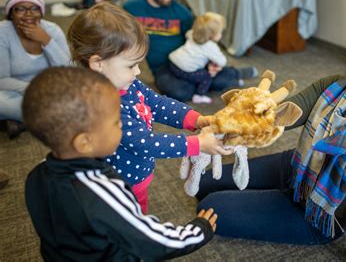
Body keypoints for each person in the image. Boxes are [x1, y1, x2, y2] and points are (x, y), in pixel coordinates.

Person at [195, 16, 346, 261]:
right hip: (296, 167)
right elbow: (283, 115)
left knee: (210, 207)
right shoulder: (337, 86)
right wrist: (229, 122)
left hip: (316, 213)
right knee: (203, 182)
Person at [23, 66, 218, 261]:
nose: (122, 127)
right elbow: (153, 241)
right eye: (116, 124)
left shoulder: (36, 175)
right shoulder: (102, 192)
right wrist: (199, 230)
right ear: (84, 142)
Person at [68, 1, 231, 214]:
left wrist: (195, 119)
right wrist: (197, 144)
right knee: (126, 228)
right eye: (130, 65)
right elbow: (144, 144)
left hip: (135, 177)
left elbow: (157, 104)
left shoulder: (126, 83)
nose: (137, 72)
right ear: (98, 63)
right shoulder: (101, 106)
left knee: (139, 218)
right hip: (117, 188)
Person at [123, 0, 256, 102]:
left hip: (188, 61)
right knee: (180, 92)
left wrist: (210, 63)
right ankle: (222, 77)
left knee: (209, 75)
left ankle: (233, 72)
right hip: (162, 68)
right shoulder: (131, 9)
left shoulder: (182, 12)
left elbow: (199, 40)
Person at [0, 0, 70, 139]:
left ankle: (24, 120)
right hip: (14, 91)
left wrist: (46, 41)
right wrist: (35, 89)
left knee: (77, 90)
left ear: (41, 11)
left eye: (34, 8)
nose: (29, 14)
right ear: (11, 12)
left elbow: (69, 71)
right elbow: (2, 79)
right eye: (20, 9)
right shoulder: (3, 32)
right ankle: (51, 118)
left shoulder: (52, 30)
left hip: (51, 89)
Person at [169, 12, 258, 104]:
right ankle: (199, 96)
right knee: (207, 76)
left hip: (173, 62)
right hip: (186, 70)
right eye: (220, 32)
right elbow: (222, 61)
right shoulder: (210, 47)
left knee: (211, 71)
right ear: (212, 35)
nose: (221, 34)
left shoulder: (191, 34)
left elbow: (187, 34)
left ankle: (235, 77)